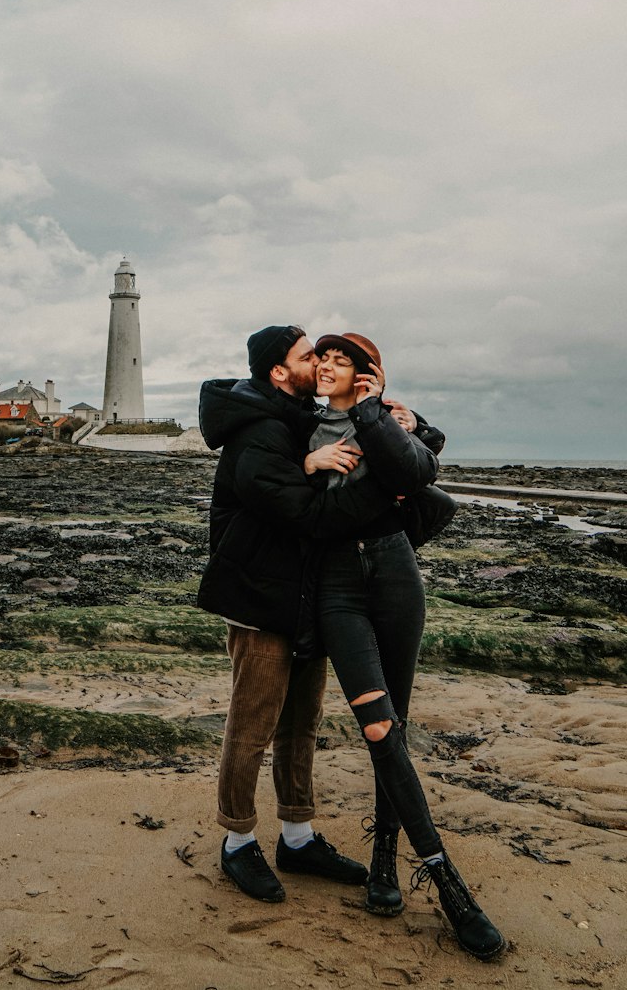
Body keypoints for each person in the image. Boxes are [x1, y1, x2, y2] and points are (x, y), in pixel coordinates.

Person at [197, 324, 445, 906]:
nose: (319, 361)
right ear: (281, 372)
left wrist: (411, 425)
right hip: (261, 598)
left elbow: (391, 439)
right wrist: (369, 486)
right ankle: (237, 842)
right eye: (307, 355)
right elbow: (310, 514)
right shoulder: (258, 432)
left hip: (305, 596)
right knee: (253, 725)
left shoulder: (301, 416)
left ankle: (297, 835)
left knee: (301, 722)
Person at [308, 331, 505, 961]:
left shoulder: (388, 419)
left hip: (394, 574)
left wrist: (377, 412)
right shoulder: (298, 425)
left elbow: (418, 469)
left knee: (398, 723)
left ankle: (385, 856)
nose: (326, 367)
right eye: (323, 358)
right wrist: (311, 463)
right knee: (376, 729)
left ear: (367, 375)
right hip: (336, 584)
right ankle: (451, 887)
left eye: (341, 362)